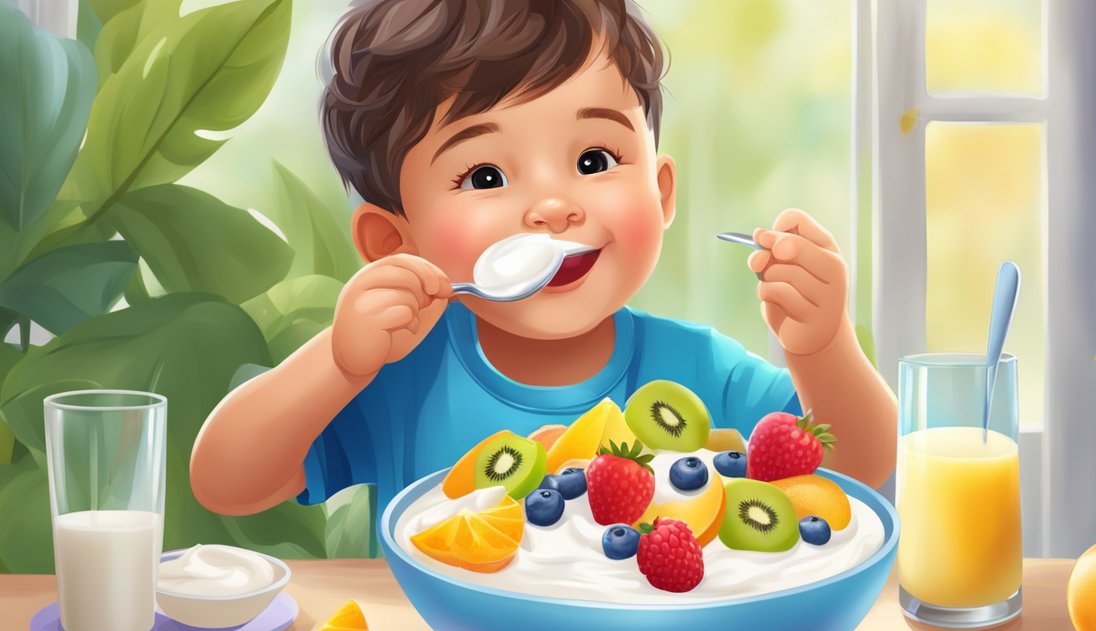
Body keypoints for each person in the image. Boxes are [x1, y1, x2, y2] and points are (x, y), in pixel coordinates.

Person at [190, 0, 897, 547]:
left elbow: (859, 466)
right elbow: (224, 480)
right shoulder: (404, 379)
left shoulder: (696, 372)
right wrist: (338, 364)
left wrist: (821, 346)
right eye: (487, 174)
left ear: (662, 191)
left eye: (594, 160)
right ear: (390, 241)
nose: (555, 208)